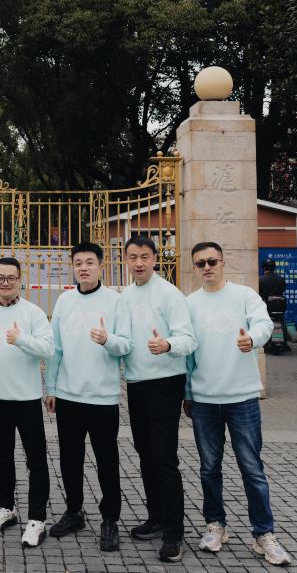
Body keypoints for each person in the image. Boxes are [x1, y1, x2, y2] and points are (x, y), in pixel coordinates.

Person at [185, 242, 292, 567]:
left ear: (223, 262)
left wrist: (253, 339)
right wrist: (187, 393)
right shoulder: (189, 303)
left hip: (242, 397)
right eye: (200, 263)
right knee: (209, 468)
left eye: (212, 261)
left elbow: (263, 324)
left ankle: (264, 534)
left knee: (252, 468)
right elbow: (187, 353)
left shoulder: (244, 295)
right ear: (195, 267)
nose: (207, 267)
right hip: (204, 399)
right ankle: (215, 525)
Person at [45, 242, 130, 552]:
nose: (83, 267)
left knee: (107, 460)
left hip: (102, 396)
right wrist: (51, 388)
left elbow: (127, 345)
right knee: (70, 458)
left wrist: (108, 340)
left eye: (90, 262)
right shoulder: (65, 301)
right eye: (78, 262)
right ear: (73, 267)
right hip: (68, 395)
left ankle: (110, 519)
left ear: (101, 266)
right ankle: (74, 511)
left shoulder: (115, 301)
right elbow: (55, 349)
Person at [117, 235, 197, 561]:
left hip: (166, 383)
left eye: (145, 257)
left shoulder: (170, 294)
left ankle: (174, 534)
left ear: (154, 259)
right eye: (133, 257)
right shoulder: (125, 296)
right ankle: (156, 517)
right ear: (125, 260)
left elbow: (188, 339)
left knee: (164, 457)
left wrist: (168, 345)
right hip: (137, 383)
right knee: (145, 453)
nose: (139, 263)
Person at [0, 257, 54, 548]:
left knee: (36, 460)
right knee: (2, 456)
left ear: (20, 280)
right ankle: (7, 508)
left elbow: (49, 349)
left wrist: (21, 340)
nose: (5, 282)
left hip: (26, 398)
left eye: (11, 278)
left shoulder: (33, 313)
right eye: (0, 278)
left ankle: (37, 519)